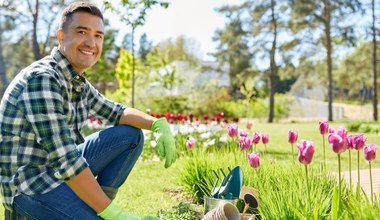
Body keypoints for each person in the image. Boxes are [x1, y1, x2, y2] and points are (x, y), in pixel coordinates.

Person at [0, 1, 177, 219]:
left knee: (130, 135)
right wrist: (116, 214)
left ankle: (93, 207)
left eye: (98, 35)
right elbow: (66, 160)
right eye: (82, 31)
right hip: (31, 187)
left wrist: (157, 124)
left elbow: (117, 112)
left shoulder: (76, 80)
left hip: (57, 173)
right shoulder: (43, 79)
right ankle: (98, 210)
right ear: (61, 36)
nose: (91, 42)